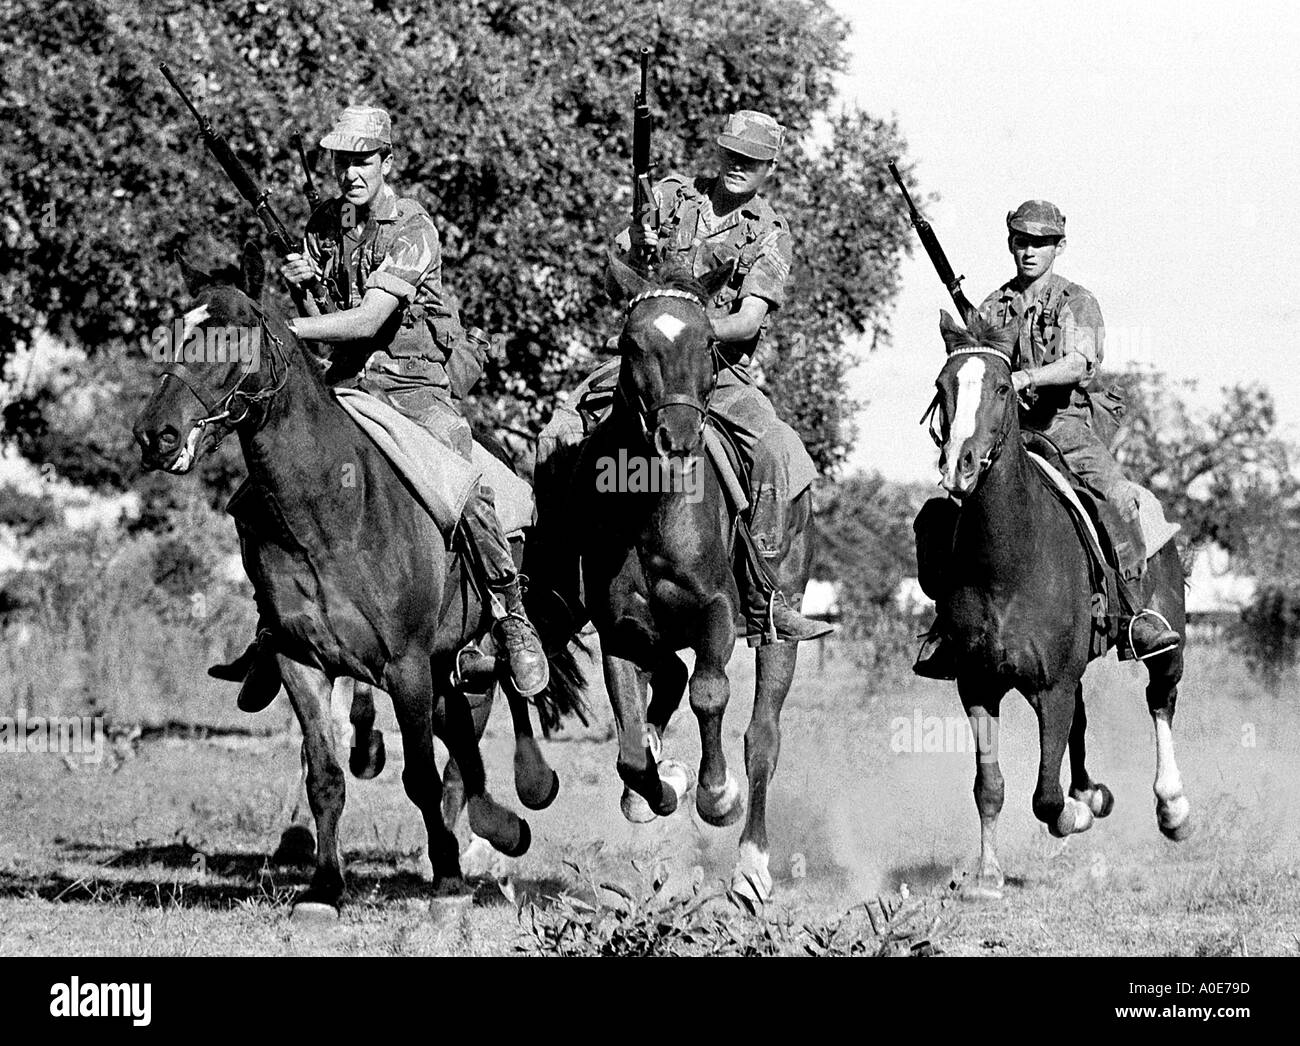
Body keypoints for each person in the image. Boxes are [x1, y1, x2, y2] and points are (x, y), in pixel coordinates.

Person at [209, 105, 548, 708]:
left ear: (387, 162)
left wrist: (281, 326)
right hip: (345, 386)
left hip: (415, 392)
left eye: (364, 160)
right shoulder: (322, 224)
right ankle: (275, 627)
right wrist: (306, 282)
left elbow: (368, 318)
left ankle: (509, 614)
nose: (351, 172)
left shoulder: (413, 226)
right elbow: (331, 322)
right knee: (253, 500)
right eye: (343, 161)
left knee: (466, 488)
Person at [535, 109, 831, 646]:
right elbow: (614, 278)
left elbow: (748, 319)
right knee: (556, 437)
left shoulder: (769, 233)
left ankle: (765, 594)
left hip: (716, 371)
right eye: (733, 154)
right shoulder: (672, 196)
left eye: (754, 160)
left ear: (770, 168)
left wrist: (690, 328)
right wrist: (631, 242)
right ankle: (555, 587)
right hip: (646, 362)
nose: (739, 166)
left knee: (778, 450)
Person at [913, 199, 1181, 679]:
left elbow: (1080, 362)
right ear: (1011, 244)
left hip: (1067, 428)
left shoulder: (1076, 301)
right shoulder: (993, 306)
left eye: (1041, 242)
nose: (1030, 251)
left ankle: (1135, 612)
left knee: (1118, 499)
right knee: (946, 510)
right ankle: (949, 626)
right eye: (1022, 241)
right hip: (1005, 433)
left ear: (1059, 246)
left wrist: (1025, 378)